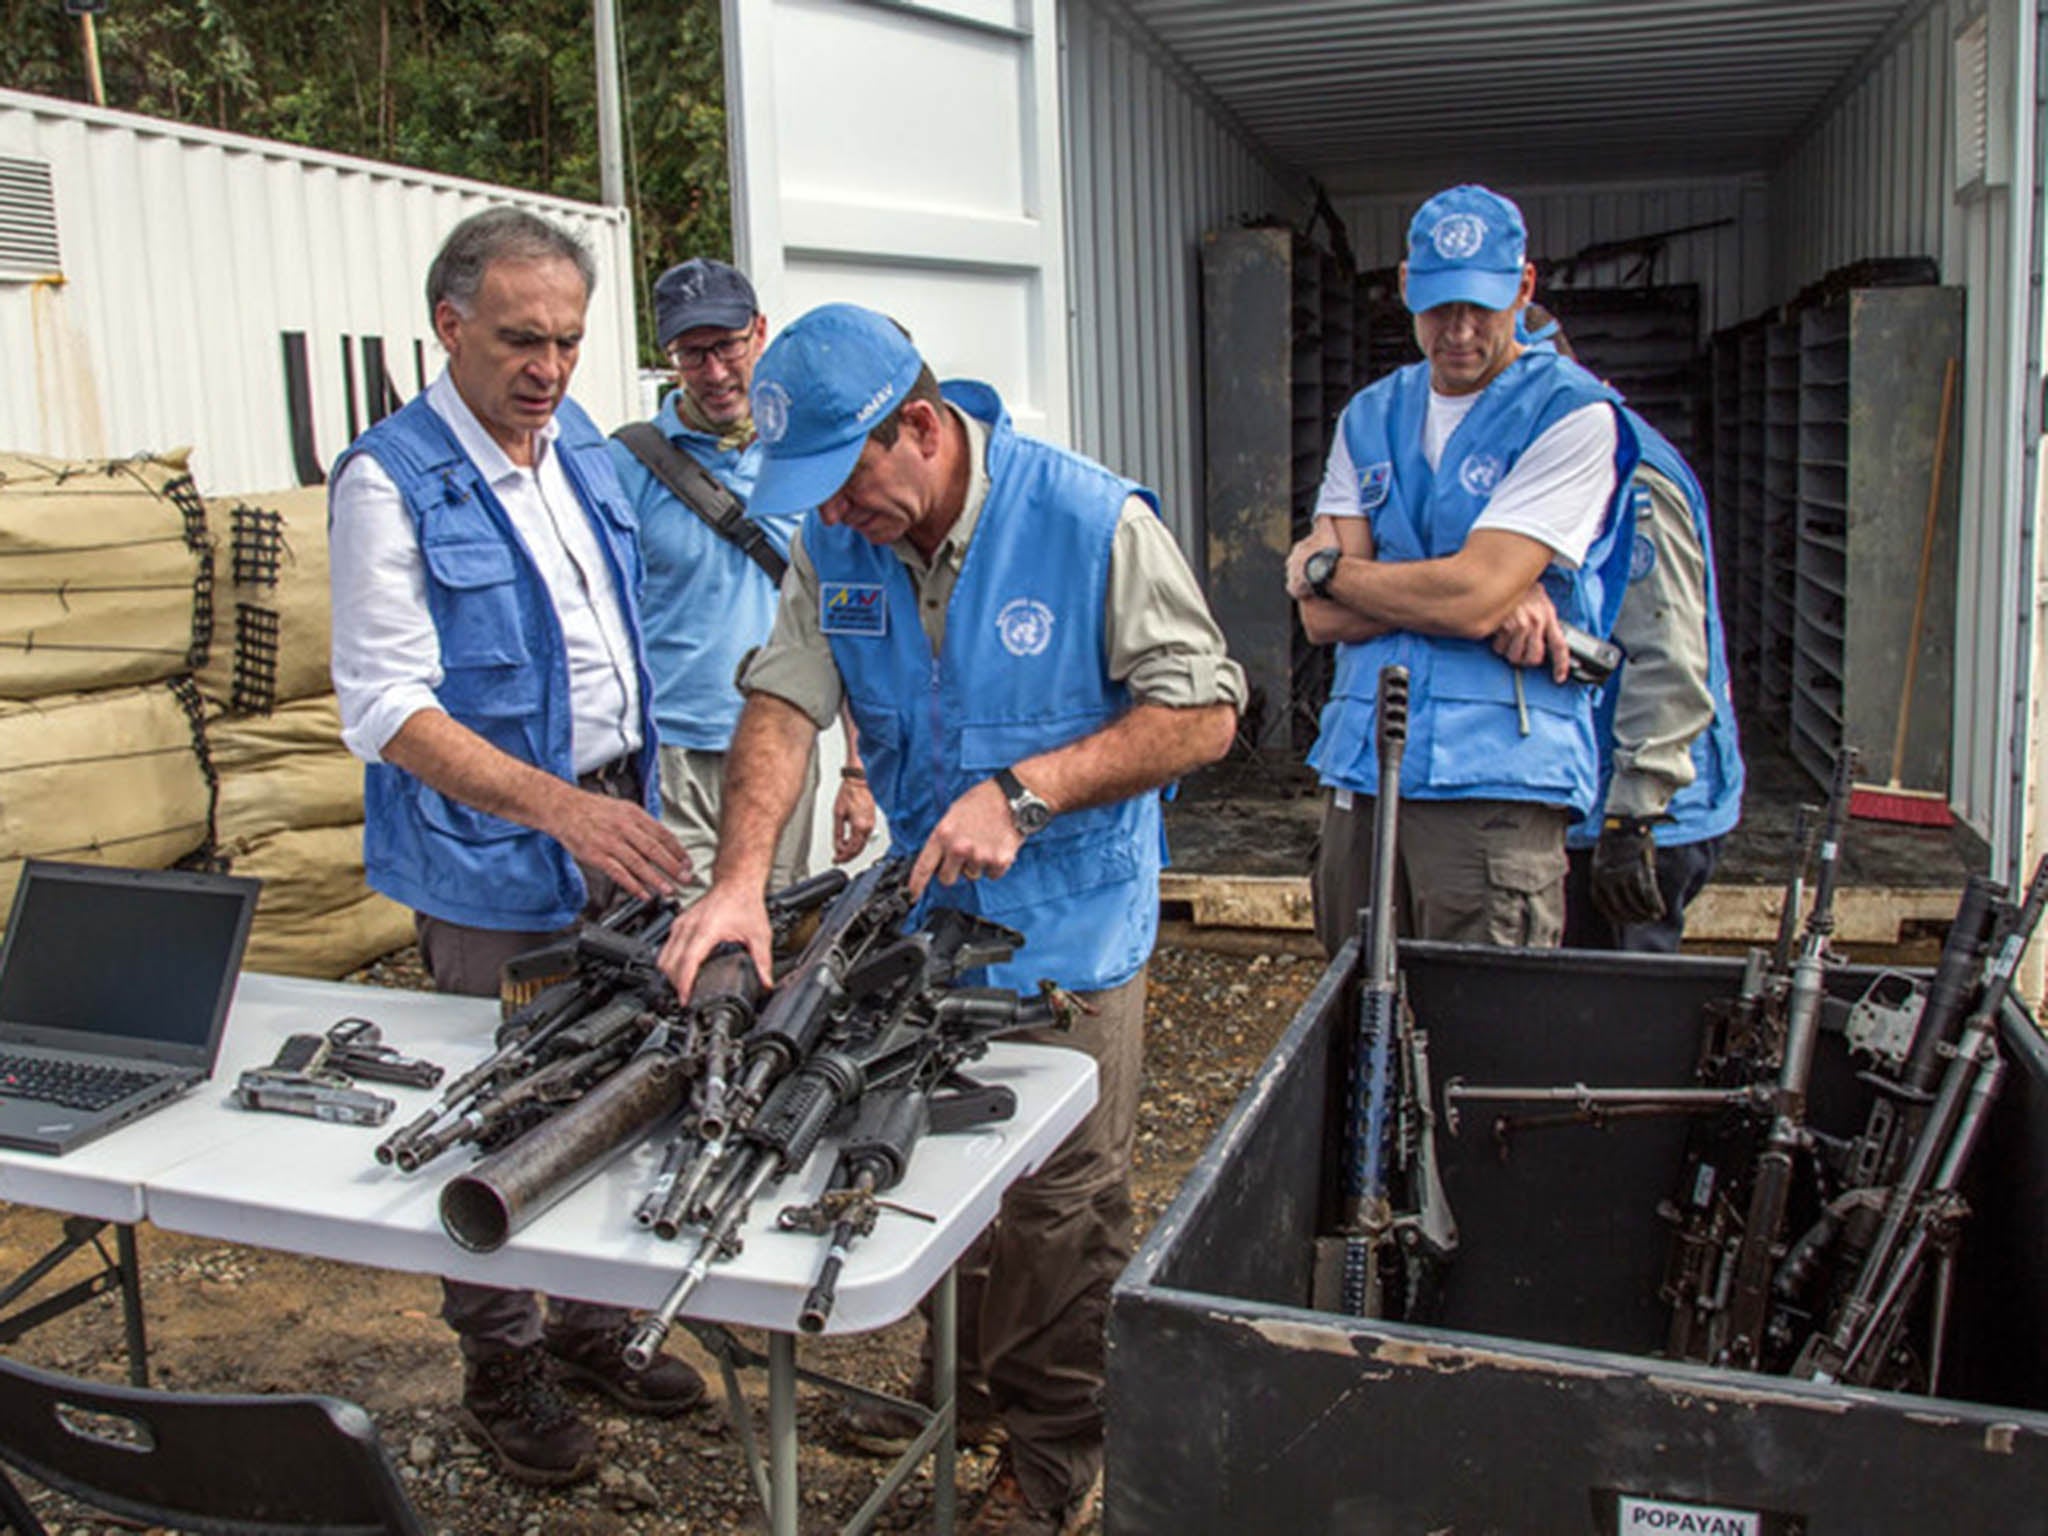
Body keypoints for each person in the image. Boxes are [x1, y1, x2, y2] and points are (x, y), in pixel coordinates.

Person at [656, 303, 1243, 1536]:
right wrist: (738, 879)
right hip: (921, 926)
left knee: (1057, 1204)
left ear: (917, 428)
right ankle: (958, 1391)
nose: (825, 515)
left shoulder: (1091, 523)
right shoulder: (839, 539)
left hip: (1064, 929)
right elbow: (781, 698)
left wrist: (1028, 793)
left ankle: (1050, 1455)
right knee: (917, 1154)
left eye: (842, 483)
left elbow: (1201, 714)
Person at [328, 207, 703, 1488]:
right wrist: (557, 807)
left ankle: (591, 1325)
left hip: (617, 823)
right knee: (495, 1112)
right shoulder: (390, 478)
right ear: (449, 326)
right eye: (520, 340)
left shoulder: (578, 446)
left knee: (620, 1081)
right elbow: (384, 708)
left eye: (569, 340)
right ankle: (502, 1363)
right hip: (494, 852)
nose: (548, 367)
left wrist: (621, 806)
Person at [1285, 183, 1640, 955]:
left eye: (1483, 305)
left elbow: (1472, 597)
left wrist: (1329, 567)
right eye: (1441, 305)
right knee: (1352, 1028)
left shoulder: (1572, 414)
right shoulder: (1370, 413)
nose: (1461, 330)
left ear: (1523, 287)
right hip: (1362, 766)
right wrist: (1460, 591)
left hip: (1494, 780)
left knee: (1480, 1036)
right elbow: (1321, 618)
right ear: (1407, 287)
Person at [608, 258, 874, 895]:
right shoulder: (626, 463)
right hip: (672, 752)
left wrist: (857, 771)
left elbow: (849, 614)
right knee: (686, 935)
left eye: (726, 346)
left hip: (782, 741)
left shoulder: (808, 460)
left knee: (776, 919)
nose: (715, 372)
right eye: (692, 353)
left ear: (759, 331)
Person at [1514, 309, 1745, 950]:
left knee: (1618, 1014)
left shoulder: (1631, 476)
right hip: (1589, 799)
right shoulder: (1550, 465)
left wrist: (1633, 815)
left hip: (1644, 813)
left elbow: (1665, 651)